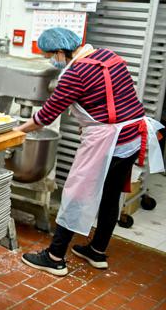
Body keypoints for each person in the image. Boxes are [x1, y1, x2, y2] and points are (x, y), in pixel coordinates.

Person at [17, 27, 164, 276]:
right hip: (133, 136)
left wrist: (17, 131)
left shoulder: (75, 74)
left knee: (77, 194)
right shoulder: (108, 56)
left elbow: (46, 116)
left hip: (108, 141)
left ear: (61, 51)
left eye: (50, 55)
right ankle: (96, 251)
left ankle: (55, 257)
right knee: (110, 196)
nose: (51, 60)